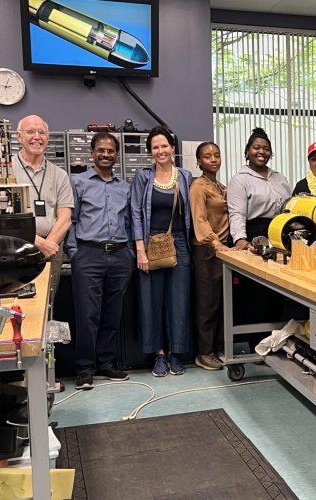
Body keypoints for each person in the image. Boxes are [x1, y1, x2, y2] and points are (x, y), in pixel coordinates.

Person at [65, 132, 132, 390]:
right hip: (88, 254)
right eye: (101, 150)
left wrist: (131, 254)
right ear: (92, 153)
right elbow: (70, 219)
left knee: (112, 314)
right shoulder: (78, 182)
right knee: (87, 313)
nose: (106, 154)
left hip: (119, 255)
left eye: (111, 151)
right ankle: (84, 368)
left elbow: (129, 222)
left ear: (117, 155)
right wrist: (75, 253)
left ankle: (106, 362)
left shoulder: (124, 187)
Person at [131, 126, 194, 377]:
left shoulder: (186, 176)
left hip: (179, 243)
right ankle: (158, 354)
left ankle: (176, 353)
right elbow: (135, 212)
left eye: (164, 146)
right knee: (151, 301)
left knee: (179, 301)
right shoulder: (143, 177)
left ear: (173, 148)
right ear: (150, 152)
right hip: (150, 242)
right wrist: (140, 250)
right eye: (155, 147)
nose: (160, 151)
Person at [190, 141, 232, 371]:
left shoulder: (221, 187)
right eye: (207, 156)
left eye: (217, 155)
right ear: (199, 161)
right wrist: (216, 243)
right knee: (207, 304)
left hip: (223, 249)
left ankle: (218, 348)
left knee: (221, 303)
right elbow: (199, 220)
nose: (213, 159)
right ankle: (204, 353)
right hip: (206, 249)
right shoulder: (198, 186)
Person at [12, 115, 74, 261]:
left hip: (52, 249)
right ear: (19, 137)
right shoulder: (6, 171)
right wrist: (38, 243)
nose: (37, 137)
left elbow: (65, 218)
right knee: (19, 285)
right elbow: (2, 218)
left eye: (42, 132)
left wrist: (48, 245)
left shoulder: (60, 175)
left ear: (48, 138)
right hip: (16, 247)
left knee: (50, 285)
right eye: (30, 131)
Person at [227, 127, 292, 249]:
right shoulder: (240, 179)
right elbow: (237, 214)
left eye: (266, 149)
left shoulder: (280, 178)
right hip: (253, 237)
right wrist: (240, 239)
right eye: (256, 148)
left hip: (280, 234)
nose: (261, 152)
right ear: (247, 151)